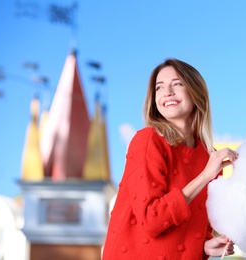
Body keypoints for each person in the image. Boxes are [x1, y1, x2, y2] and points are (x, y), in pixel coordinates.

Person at [102, 58, 238, 260]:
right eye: (159, 87)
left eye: (177, 84)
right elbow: (151, 220)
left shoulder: (210, 158)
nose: (167, 92)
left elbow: (194, 228)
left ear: (196, 93)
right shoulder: (148, 140)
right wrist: (204, 176)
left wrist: (206, 246)